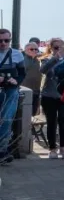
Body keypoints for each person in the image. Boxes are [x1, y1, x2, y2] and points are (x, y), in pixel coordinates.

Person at [39, 38, 64, 158]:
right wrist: (56, 58)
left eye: (60, 47)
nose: (58, 50)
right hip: (49, 95)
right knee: (51, 122)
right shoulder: (46, 59)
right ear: (51, 48)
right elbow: (43, 70)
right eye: (55, 48)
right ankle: (52, 148)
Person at [0, 28, 26, 163]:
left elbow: (22, 73)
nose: (3, 43)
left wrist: (16, 80)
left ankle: (2, 151)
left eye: (6, 40)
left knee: (7, 119)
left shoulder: (17, 55)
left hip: (10, 91)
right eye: (0, 41)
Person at [22, 41, 42, 116]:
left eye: (36, 49)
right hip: (25, 91)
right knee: (24, 113)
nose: (34, 51)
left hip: (36, 90)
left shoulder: (38, 60)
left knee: (33, 113)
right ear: (26, 50)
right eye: (31, 49)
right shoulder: (22, 59)